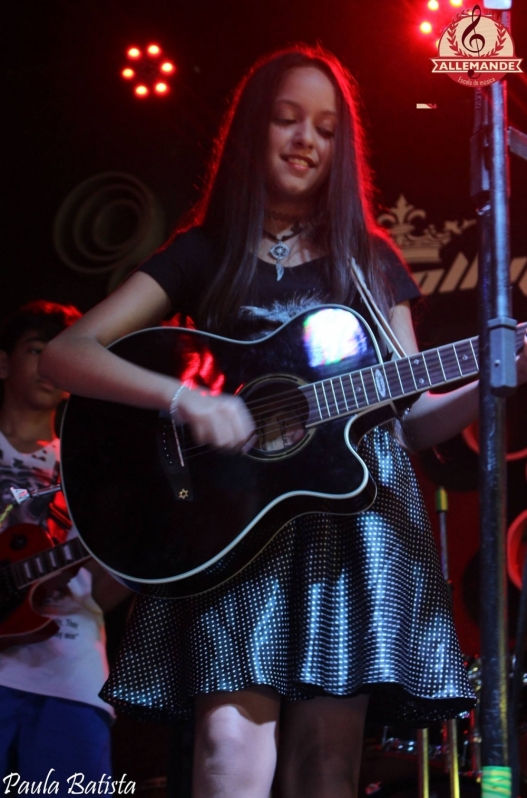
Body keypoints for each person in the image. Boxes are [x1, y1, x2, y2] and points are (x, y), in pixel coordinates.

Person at [39, 45, 527, 798]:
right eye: (287, 119)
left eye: (327, 130)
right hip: (233, 530)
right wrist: (187, 398)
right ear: (250, 132)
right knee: (227, 753)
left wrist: (491, 385)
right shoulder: (205, 251)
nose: (306, 140)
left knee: (325, 769)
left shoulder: (370, 259)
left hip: (353, 535)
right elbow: (66, 356)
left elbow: (411, 422)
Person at [0, 301, 130, 793]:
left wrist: (132, 559)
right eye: (37, 351)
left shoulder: (90, 473)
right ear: (3, 363)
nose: (50, 367)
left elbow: (98, 594)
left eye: (60, 357)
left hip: (70, 678)